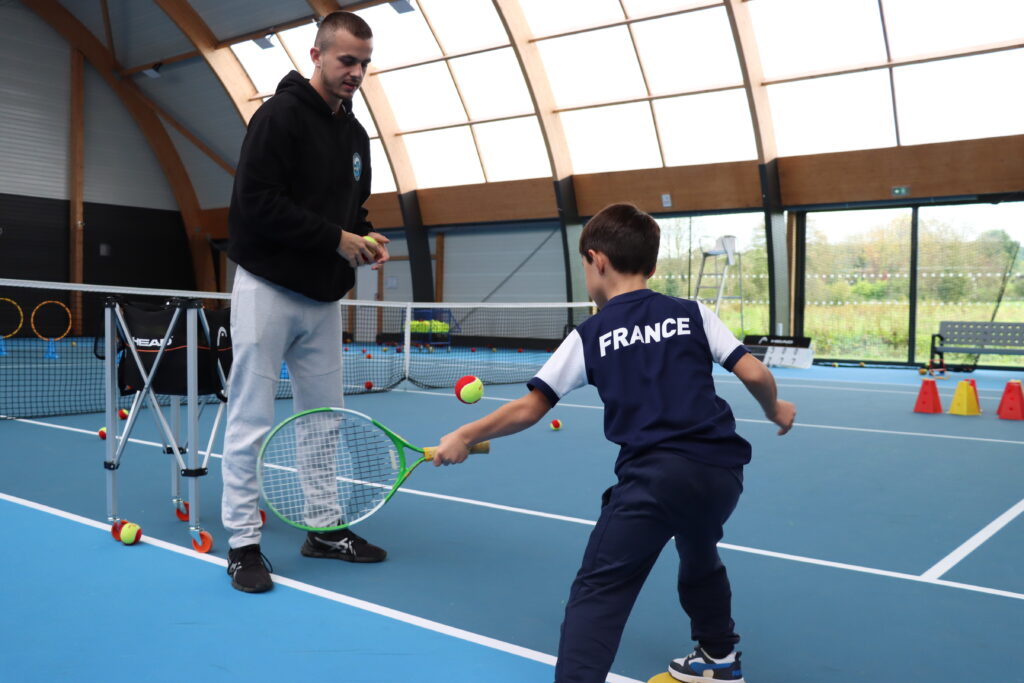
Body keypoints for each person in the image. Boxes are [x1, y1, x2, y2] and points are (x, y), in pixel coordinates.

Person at [431, 204, 796, 682]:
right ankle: (719, 656)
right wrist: (774, 409)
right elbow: (755, 372)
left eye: (584, 264)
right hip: (721, 474)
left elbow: (529, 408)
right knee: (698, 549)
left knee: (599, 592)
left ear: (597, 260)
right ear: (652, 264)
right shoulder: (692, 313)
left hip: (655, 481)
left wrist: (463, 434)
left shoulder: (591, 333)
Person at [222, 11, 390, 594]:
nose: (357, 73)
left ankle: (322, 530)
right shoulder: (279, 117)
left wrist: (364, 239)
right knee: (250, 420)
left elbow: (351, 214)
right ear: (316, 55)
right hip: (267, 289)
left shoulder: (356, 136)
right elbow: (255, 204)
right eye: (347, 61)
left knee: (323, 422)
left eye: (365, 63)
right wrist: (334, 238)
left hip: (322, 299)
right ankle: (243, 543)